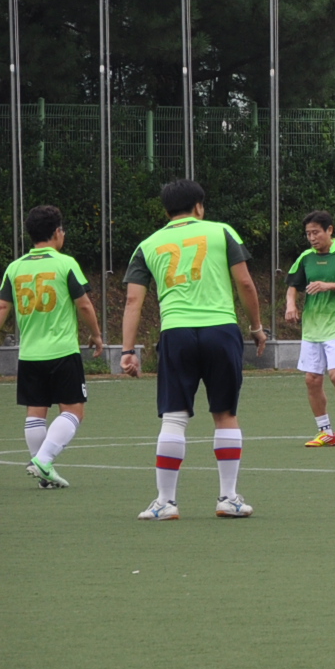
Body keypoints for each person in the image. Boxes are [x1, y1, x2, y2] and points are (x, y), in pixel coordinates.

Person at [118, 179, 266, 519]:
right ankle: (228, 498)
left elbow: (132, 301)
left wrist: (127, 350)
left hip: (176, 333)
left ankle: (165, 502)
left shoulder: (148, 245)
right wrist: (256, 327)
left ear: (166, 210)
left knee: (174, 417)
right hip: (221, 330)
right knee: (225, 414)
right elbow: (245, 282)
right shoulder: (221, 232)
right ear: (199, 206)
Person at [0, 205, 105, 489]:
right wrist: (96, 334)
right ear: (56, 233)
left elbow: (2, 306)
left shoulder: (15, 267)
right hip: (62, 351)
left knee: (36, 412)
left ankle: (43, 471)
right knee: (74, 411)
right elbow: (84, 304)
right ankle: (43, 460)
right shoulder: (65, 264)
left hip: (29, 354)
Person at [282, 210, 335, 446]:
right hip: (312, 328)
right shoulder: (306, 257)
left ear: (329, 230)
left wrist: (328, 285)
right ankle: (325, 431)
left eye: (316, 232)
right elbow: (293, 285)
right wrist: (291, 305)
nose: (312, 238)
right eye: (308, 234)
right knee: (312, 379)